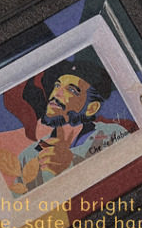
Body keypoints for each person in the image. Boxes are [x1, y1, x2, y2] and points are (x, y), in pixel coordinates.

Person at [14, 60, 130, 193]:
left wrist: (70, 163)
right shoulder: (27, 157)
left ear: (91, 108)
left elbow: (124, 178)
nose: (56, 94)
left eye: (71, 90)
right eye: (57, 85)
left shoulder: (113, 135)